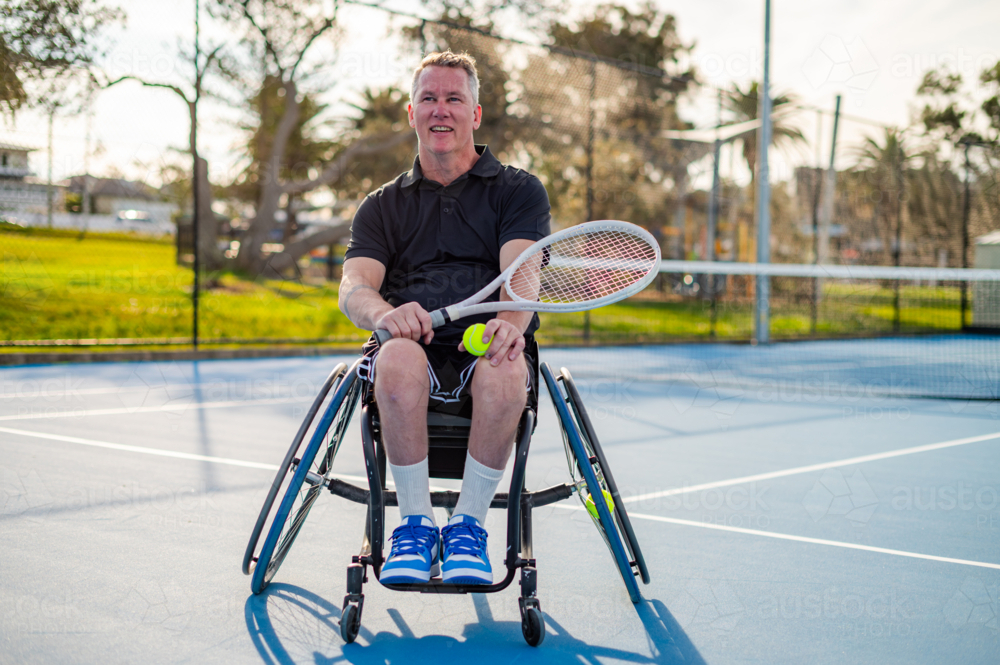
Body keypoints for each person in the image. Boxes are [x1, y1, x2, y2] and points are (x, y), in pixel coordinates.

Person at [338, 51, 551, 585]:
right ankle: (413, 525)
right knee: (399, 356)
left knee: (506, 364)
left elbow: (522, 276)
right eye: (428, 99)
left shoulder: (519, 190)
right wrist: (387, 313)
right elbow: (354, 287)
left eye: (454, 98)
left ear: (474, 115)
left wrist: (510, 322)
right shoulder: (381, 206)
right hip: (412, 350)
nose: (441, 110)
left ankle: (467, 529)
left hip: (486, 341)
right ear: (411, 114)